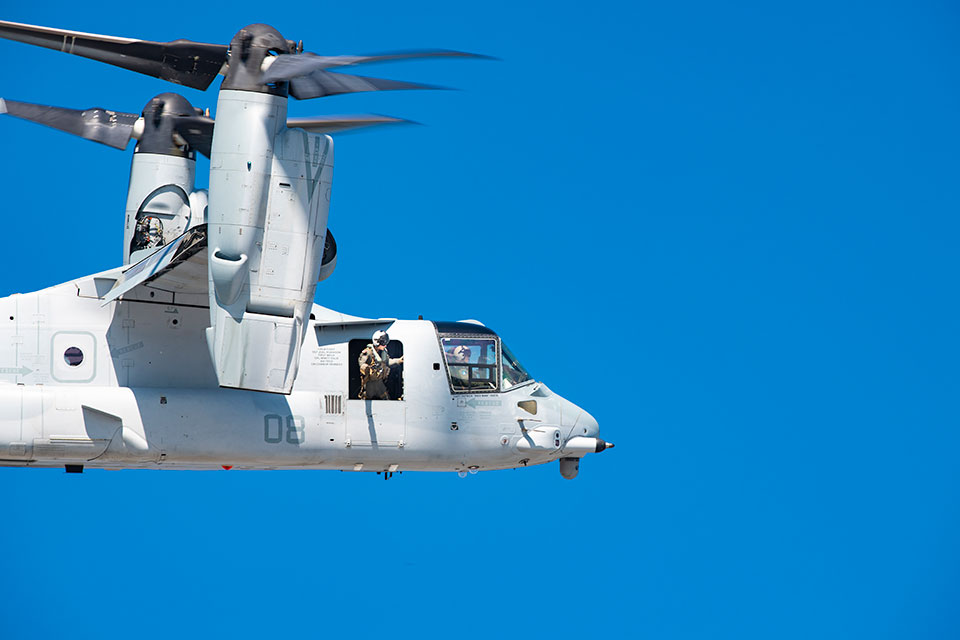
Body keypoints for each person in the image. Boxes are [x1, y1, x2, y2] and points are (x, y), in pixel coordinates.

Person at [358, 330, 403, 400]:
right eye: (383, 342)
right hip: (370, 384)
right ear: (377, 342)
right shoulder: (368, 352)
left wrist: (399, 360)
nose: (385, 345)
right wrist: (366, 368)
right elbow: (362, 363)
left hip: (380, 383)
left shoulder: (383, 353)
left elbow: (387, 362)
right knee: (366, 400)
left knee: (386, 399)